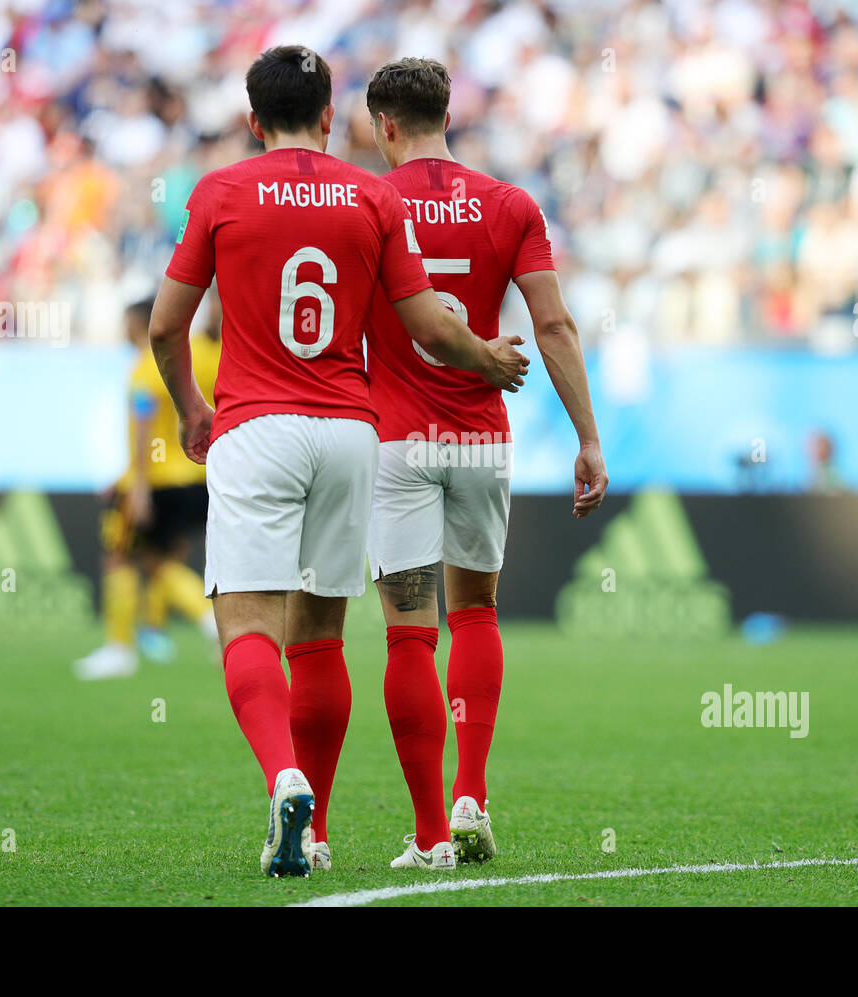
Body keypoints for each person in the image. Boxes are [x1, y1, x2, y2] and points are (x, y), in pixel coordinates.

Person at [147, 46, 529, 877]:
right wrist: (488, 358)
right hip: (354, 432)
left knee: (249, 625)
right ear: (330, 118)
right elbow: (430, 325)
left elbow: (165, 328)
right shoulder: (369, 194)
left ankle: (291, 788)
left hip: (257, 427)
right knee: (321, 634)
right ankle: (315, 828)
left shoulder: (218, 192)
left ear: (253, 120)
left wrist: (191, 411)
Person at [363, 58, 608, 869]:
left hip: (394, 440)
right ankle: (472, 795)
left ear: (386, 126)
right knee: (474, 613)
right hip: (478, 438)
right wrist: (587, 438)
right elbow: (555, 326)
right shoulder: (511, 204)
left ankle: (431, 833)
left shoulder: (370, 201)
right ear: (447, 115)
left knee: (409, 633)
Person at [74, 297, 220, 681]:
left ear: (140, 324)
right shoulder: (200, 357)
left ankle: (119, 648)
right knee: (161, 563)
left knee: (120, 558)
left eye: (125, 323)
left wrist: (135, 485)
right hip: (198, 476)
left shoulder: (144, 367)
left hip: (154, 480)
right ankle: (204, 622)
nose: (123, 331)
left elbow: (142, 428)